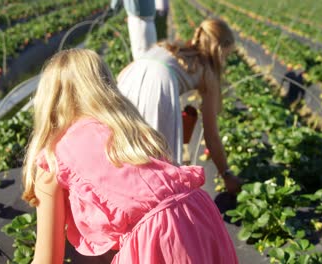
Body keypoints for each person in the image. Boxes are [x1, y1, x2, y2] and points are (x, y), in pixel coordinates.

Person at [22, 49, 238, 263]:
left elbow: (47, 260)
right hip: (200, 215)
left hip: (157, 239)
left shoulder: (52, 157)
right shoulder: (129, 131)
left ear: (47, 99)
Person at [116, 18, 241, 194]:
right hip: (159, 84)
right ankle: (160, 208)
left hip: (128, 79)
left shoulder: (168, 48)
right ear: (219, 50)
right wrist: (226, 174)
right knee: (161, 162)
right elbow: (211, 135)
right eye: (226, 56)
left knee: (127, 147)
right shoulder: (207, 71)